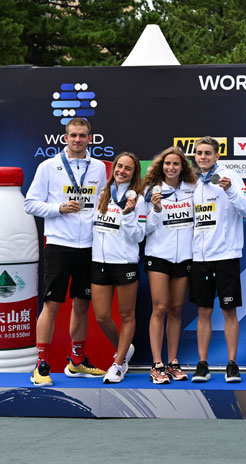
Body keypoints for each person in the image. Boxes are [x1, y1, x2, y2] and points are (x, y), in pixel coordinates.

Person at [24, 117, 108, 386]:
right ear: (65, 138)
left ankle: (77, 360)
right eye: (73, 135)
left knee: (82, 305)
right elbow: (30, 204)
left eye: (82, 135)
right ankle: (41, 364)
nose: (77, 140)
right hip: (60, 244)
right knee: (52, 305)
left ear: (90, 139)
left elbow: (102, 202)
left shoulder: (98, 168)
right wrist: (58, 208)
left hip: (90, 246)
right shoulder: (49, 167)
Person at [190, 136, 246, 383]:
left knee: (229, 311)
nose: (203, 157)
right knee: (203, 311)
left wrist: (230, 191)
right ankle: (202, 364)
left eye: (208, 153)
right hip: (200, 257)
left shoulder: (230, 176)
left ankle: (232, 364)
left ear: (218, 156)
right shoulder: (193, 182)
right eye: (199, 153)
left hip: (227, 255)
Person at [143, 147, 197, 383]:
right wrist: (155, 209)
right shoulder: (150, 191)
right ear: (161, 166)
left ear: (182, 167)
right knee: (160, 307)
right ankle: (157, 365)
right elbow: (143, 229)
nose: (171, 168)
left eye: (176, 164)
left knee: (176, 309)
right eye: (167, 164)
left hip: (184, 257)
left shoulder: (193, 190)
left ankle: (173, 362)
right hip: (158, 255)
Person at [91, 151, 145, 384]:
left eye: (128, 168)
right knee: (102, 316)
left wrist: (129, 214)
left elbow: (139, 236)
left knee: (127, 315)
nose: (122, 171)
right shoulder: (103, 193)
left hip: (124, 263)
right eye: (119, 166)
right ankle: (124, 349)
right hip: (99, 261)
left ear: (134, 174)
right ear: (114, 168)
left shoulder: (139, 199)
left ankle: (118, 362)